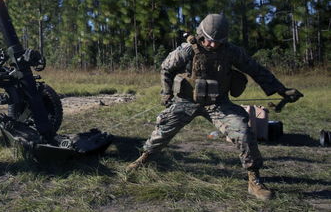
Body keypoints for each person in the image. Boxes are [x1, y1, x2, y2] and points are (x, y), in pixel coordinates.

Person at [127, 14, 303, 201]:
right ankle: (144, 159)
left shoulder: (231, 52)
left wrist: (281, 90)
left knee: (243, 132)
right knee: (163, 130)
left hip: (218, 103)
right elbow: (166, 68)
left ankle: (254, 179)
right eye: (209, 40)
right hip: (187, 102)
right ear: (201, 34)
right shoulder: (187, 50)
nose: (212, 45)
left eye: (217, 41)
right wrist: (166, 92)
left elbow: (255, 69)